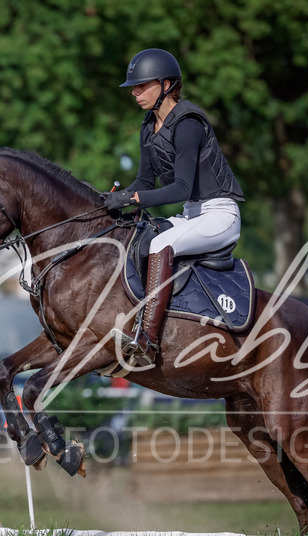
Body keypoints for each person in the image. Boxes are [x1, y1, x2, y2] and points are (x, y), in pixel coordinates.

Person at [104, 48, 244, 365]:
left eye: (142, 86)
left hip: (220, 214)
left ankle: (147, 340)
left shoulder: (188, 123)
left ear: (167, 85)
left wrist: (133, 199)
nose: (135, 93)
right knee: (138, 237)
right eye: (134, 88)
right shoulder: (148, 127)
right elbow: (143, 182)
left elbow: (180, 188)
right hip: (191, 216)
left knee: (162, 241)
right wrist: (111, 198)